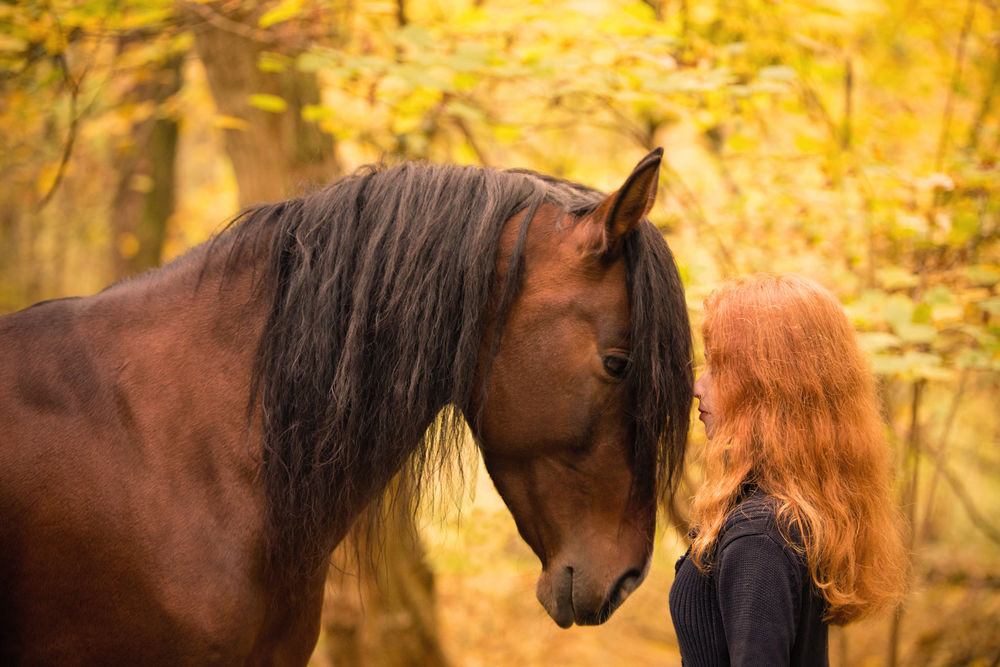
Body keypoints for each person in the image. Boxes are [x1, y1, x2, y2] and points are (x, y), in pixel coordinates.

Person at [669, 273, 908, 666]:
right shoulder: (778, 514)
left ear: (766, 385)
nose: (698, 385)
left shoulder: (761, 533)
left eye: (717, 367)